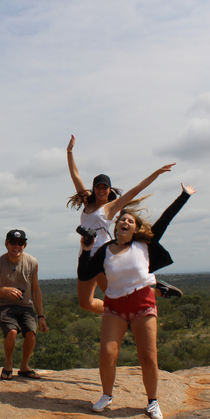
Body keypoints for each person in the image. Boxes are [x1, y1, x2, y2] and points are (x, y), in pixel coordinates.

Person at [78, 183, 196, 419]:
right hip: (114, 306)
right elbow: (84, 274)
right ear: (116, 225)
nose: (125, 222)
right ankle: (106, 395)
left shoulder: (144, 244)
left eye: (131, 221)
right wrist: (86, 250)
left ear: (136, 228)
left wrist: (184, 196)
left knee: (148, 356)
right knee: (108, 353)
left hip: (142, 303)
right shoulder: (105, 251)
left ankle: (152, 402)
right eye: (122, 219)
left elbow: (166, 219)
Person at [66, 134, 180, 314]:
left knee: (116, 295)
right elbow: (75, 175)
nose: (102, 190)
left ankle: (149, 297)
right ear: (94, 189)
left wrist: (156, 173)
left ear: (109, 190)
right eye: (98, 187)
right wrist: (69, 152)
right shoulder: (87, 203)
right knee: (85, 303)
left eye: (105, 187)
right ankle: (119, 314)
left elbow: (136, 190)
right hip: (86, 254)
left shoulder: (110, 207)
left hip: (103, 255)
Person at [0, 229, 49, 380]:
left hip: (25, 304)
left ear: (24, 245)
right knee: (12, 332)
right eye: (13, 243)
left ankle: (24, 367)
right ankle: (8, 364)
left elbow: (35, 290)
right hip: (4, 304)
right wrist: (3, 290)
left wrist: (41, 316)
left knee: (31, 333)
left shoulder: (32, 262)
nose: (17, 246)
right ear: (6, 244)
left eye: (20, 243)